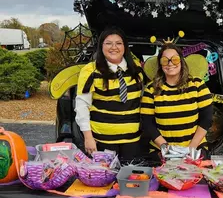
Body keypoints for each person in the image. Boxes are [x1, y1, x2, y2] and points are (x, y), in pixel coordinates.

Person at [75, 27, 144, 161]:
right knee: (105, 180)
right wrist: (88, 138)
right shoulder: (91, 71)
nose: (114, 47)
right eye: (108, 43)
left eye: (118, 43)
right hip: (102, 140)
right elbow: (82, 106)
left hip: (133, 140)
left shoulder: (137, 69)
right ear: (101, 46)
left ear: (125, 46)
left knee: (129, 180)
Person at [141, 44, 213, 160]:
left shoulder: (197, 84)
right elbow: (148, 123)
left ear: (181, 61)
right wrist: (166, 149)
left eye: (174, 59)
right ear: (160, 64)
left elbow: (207, 119)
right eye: (165, 60)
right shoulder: (151, 89)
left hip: (195, 147)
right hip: (161, 149)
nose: (170, 63)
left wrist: (192, 147)